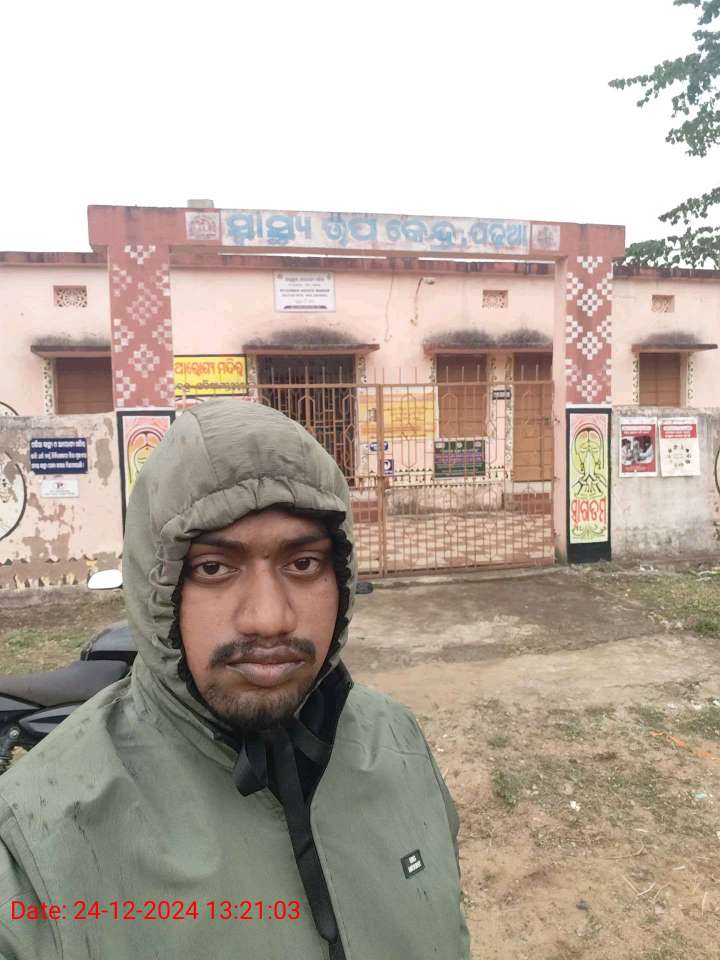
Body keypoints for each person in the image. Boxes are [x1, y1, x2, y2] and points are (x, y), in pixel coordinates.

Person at [0, 399, 471, 959]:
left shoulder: (397, 742)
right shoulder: (36, 841)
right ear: (157, 589)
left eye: (303, 564)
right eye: (214, 568)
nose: (268, 618)